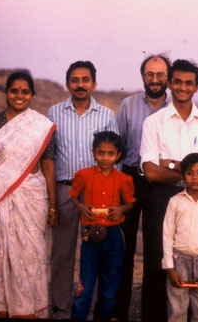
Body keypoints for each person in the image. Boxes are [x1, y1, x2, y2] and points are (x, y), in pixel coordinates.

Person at [0, 71, 58, 318]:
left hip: (32, 197)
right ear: (6, 92)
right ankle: (4, 308)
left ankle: (30, 310)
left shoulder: (41, 126)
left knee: (32, 255)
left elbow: (48, 165)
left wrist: (53, 205)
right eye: (14, 90)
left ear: (32, 95)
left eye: (25, 91)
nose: (19, 96)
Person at [139, 59, 198, 321]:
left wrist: (173, 163)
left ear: (197, 86)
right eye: (177, 82)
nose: (183, 87)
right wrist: (192, 170)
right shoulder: (154, 122)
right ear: (169, 83)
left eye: (189, 83)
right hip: (162, 197)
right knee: (158, 262)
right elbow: (151, 171)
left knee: (195, 262)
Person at [47, 60, 119, 319]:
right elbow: (49, 157)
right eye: (75, 80)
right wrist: (52, 200)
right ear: (68, 84)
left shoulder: (107, 116)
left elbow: (114, 159)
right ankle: (61, 309)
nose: (80, 84)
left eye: (85, 79)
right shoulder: (54, 113)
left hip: (96, 195)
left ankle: (89, 311)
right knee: (62, 255)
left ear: (94, 84)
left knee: (94, 254)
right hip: (66, 192)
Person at [113, 53, 172, 321]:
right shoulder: (127, 105)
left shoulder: (174, 108)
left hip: (159, 183)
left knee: (155, 250)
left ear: (168, 78)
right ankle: (117, 312)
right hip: (129, 179)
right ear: (143, 77)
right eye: (150, 74)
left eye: (160, 74)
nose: (155, 79)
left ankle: (153, 315)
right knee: (122, 249)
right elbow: (118, 147)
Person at [69, 131, 135, 321]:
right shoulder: (83, 175)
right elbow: (74, 195)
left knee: (109, 288)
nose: (105, 158)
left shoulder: (124, 179)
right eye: (101, 153)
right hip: (90, 233)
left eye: (110, 153)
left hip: (114, 235)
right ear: (93, 152)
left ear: (118, 155)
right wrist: (81, 207)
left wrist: (121, 209)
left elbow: (130, 203)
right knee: (85, 286)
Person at [162, 153, 198, 322]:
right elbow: (167, 235)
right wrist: (170, 267)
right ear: (183, 176)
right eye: (190, 173)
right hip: (178, 260)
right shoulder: (175, 202)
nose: (195, 177)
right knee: (176, 308)